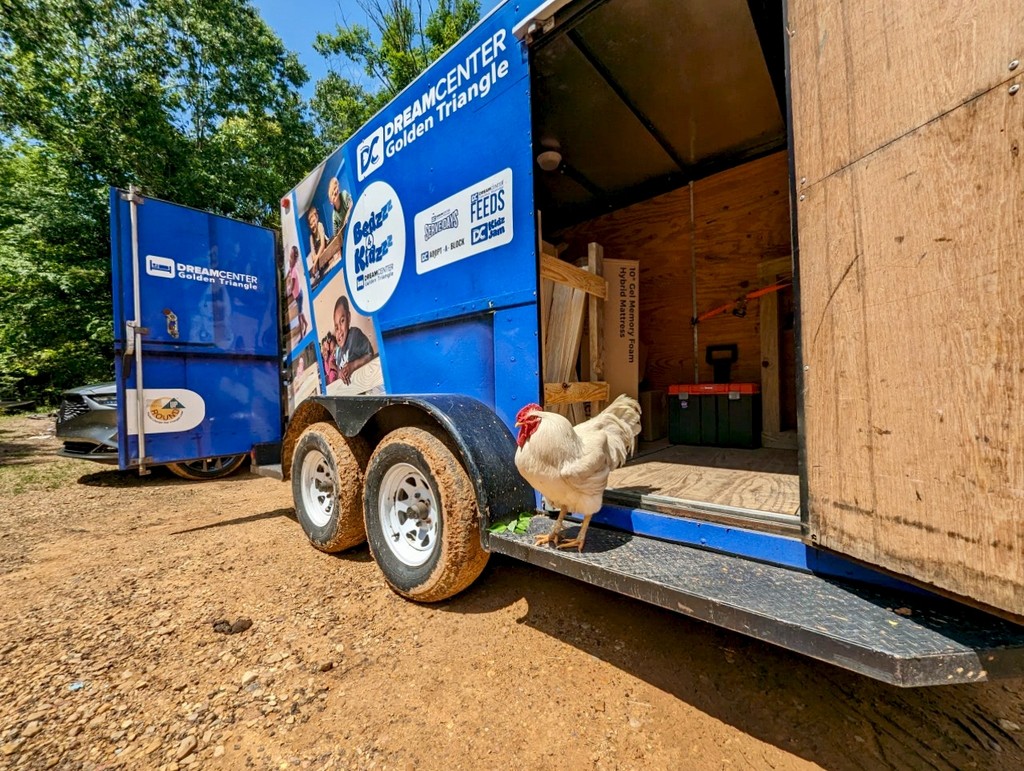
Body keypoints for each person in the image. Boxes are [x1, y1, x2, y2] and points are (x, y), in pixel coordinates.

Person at [333, 296, 374, 386]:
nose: (339, 330)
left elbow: (370, 354)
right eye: (336, 327)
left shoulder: (354, 335)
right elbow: (338, 368)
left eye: (342, 321)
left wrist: (353, 365)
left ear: (349, 317)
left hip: (363, 386)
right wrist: (340, 373)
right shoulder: (338, 350)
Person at [285, 245, 309, 338]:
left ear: (295, 259)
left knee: (299, 314)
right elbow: (289, 274)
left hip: (299, 295)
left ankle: (302, 332)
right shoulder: (291, 267)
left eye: (291, 257)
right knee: (301, 311)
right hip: (296, 295)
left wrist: (288, 289)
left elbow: (292, 286)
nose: (290, 259)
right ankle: (306, 323)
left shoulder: (294, 271)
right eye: (289, 257)